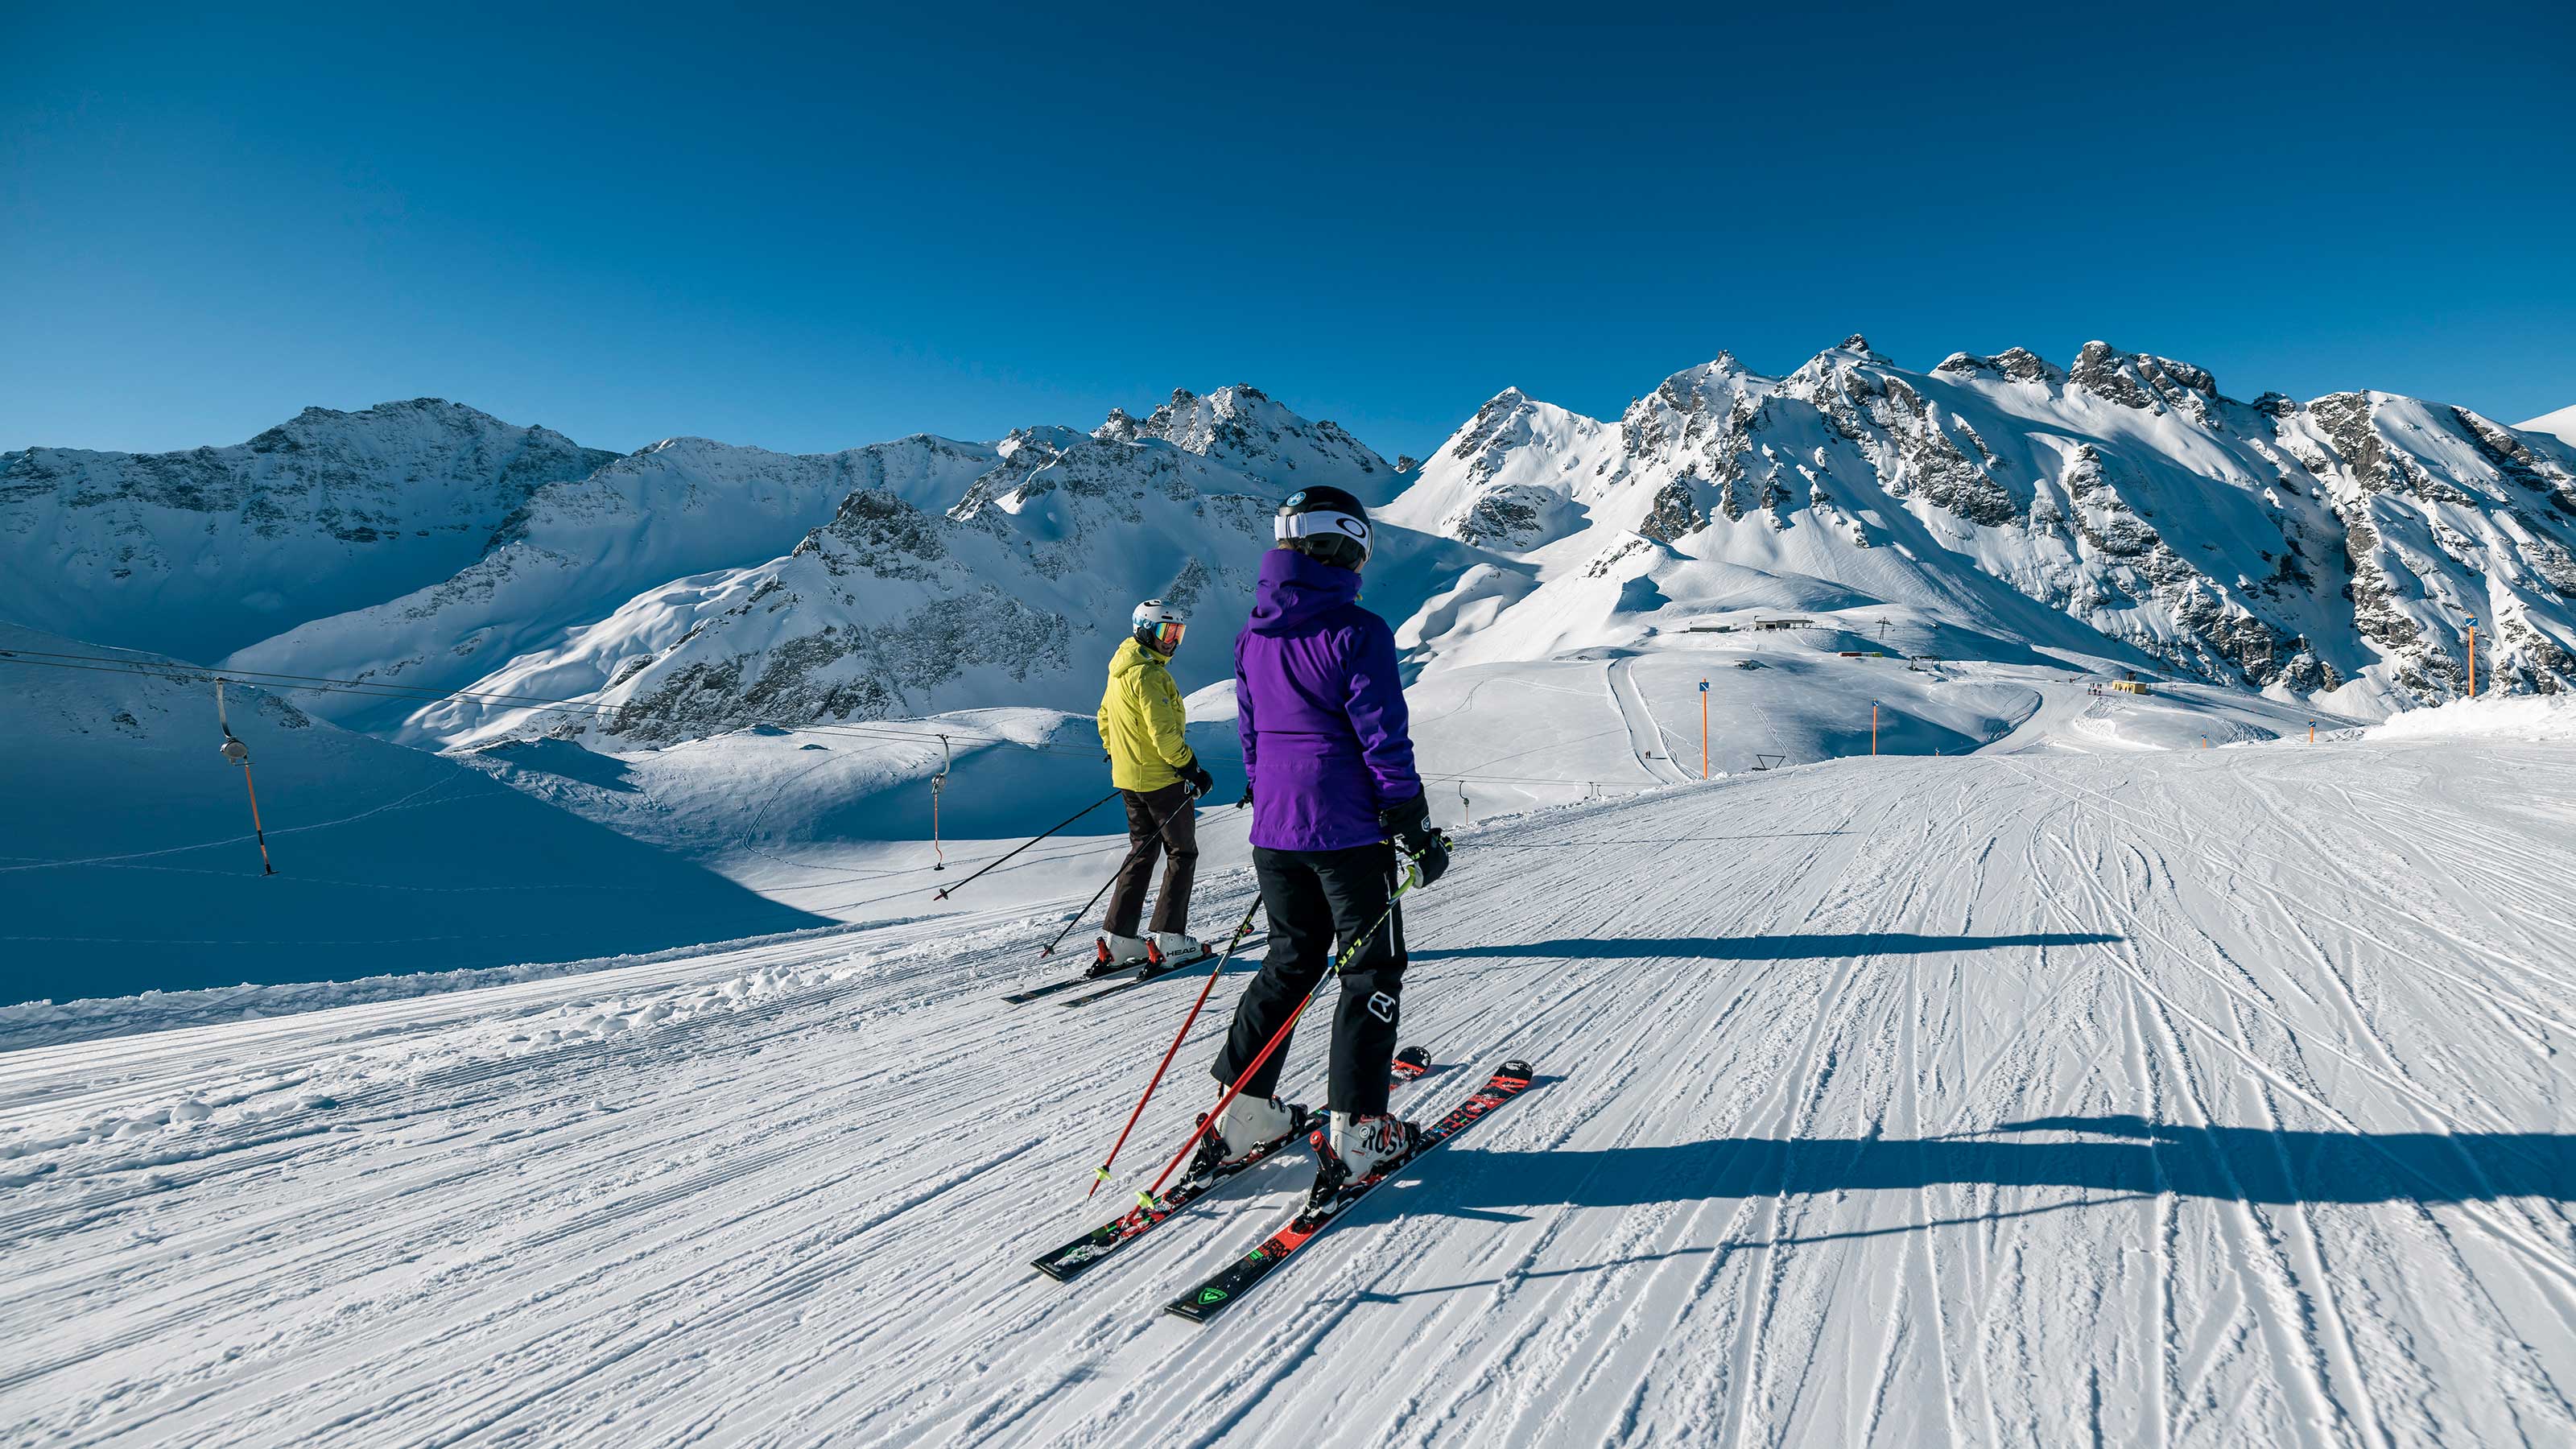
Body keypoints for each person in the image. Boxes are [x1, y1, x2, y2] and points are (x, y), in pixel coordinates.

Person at [1204, 485, 1451, 1199]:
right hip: (1345, 832)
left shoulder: (1252, 632)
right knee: (1370, 969)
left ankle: (1244, 1113)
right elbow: (1383, 739)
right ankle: (1360, 1131)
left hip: (1275, 830)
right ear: (1343, 545)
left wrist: (1272, 796)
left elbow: (1249, 735)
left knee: (1290, 960)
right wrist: (1412, 822)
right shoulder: (1357, 630)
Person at [1095, 598, 1216, 970]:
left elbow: (1104, 717)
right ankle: (1170, 938)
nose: (1172, 640)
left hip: (1131, 780)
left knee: (1142, 851)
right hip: (1163, 780)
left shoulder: (1121, 667)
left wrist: (1117, 751)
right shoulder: (1150, 675)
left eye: (1178, 632)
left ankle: (1120, 941)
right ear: (1144, 629)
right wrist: (1192, 768)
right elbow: (1164, 736)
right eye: (1166, 632)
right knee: (1182, 853)